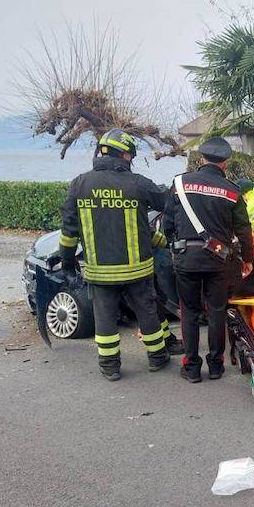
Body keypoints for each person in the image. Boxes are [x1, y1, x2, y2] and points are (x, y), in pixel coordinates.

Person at [58, 129, 171, 381]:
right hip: (137, 270)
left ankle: (109, 366)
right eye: (130, 155)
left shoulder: (80, 184)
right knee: (147, 313)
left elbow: (69, 230)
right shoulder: (137, 184)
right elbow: (166, 202)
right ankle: (157, 357)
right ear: (124, 155)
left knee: (105, 318)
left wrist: (66, 259)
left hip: (99, 271)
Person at [162, 137, 254, 383]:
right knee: (216, 311)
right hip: (218, 260)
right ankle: (216, 365)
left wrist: (176, 245)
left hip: (186, 258)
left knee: (189, 312)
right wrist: (248, 258)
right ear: (225, 162)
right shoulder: (232, 190)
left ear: (201, 159)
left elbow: (166, 223)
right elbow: (244, 230)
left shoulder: (179, 183)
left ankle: (191, 367)